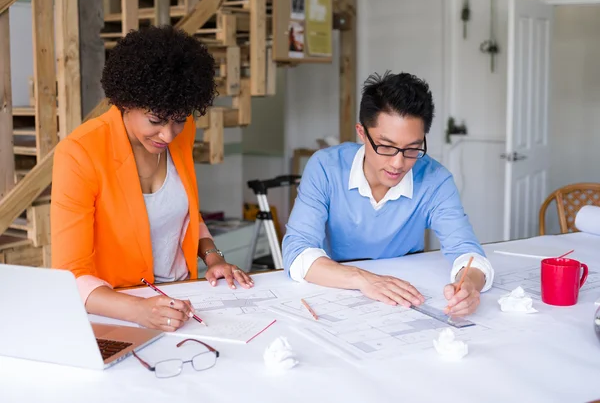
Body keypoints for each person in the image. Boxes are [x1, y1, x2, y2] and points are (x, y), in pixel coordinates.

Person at [51, 26, 253, 332]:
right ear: (125, 102)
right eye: (156, 121)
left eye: (179, 120)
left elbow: (184, 211)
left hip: (182, 299)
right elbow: (71, 272)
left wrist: (213, 258)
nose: (168, 134)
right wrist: (138, 310)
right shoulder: (80, 153)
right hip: (116, 308)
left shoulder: (179, 137)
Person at [282, 71, 494, 316]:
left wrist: (469, 284)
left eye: (412, 149)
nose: (397, 163)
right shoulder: (325, 167)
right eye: (385, 147)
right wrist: (364, 280)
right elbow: (297, 252)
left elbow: (467, 252)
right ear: (362, 133)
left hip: (404, 295)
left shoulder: (436, 179)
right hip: (335, 288)